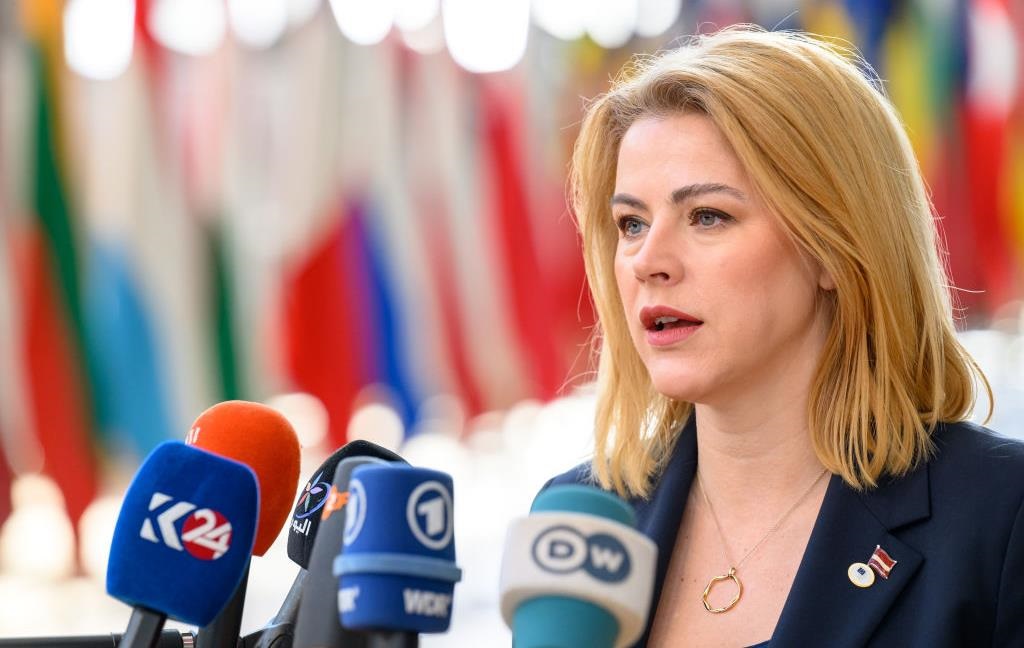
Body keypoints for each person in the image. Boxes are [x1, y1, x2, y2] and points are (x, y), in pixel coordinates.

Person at [544, 26, 1024, 647]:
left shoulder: (999, 517)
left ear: (833, 246)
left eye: (707, 216)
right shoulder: (578, 527)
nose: (647, 261)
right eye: (631, 223)